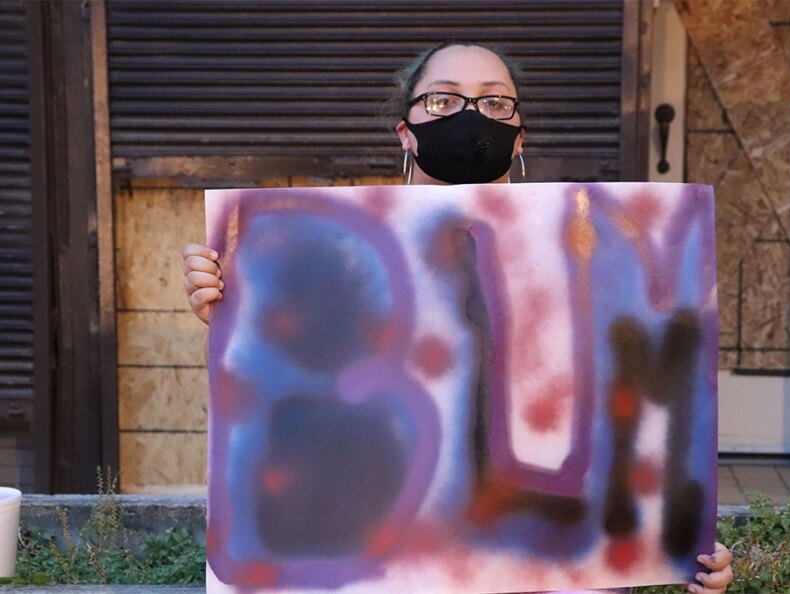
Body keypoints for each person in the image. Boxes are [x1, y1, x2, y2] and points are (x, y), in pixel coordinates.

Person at [181, 41, 733, 594]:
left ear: (518, 138)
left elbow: (635, 437)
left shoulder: (590, 261)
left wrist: (679, 552)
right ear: (406, 132)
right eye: (443, 101)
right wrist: (235, 318)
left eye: (495, 103)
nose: (471, 115)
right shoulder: (338, 260)